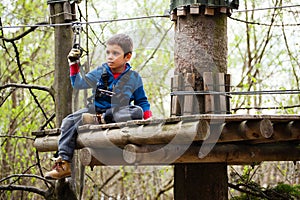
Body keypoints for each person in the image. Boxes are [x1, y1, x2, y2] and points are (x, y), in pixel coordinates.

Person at [45, 33, 152, 179]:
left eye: (115, 53)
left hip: (117, 114)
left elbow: (142, 102)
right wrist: (73, 63)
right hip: (94, 111)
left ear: (127, 57)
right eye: (108, 52)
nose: (110, 57)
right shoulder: (100, 71)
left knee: (136, 111)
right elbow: (78, 84)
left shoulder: (134, 78)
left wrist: (147, 119)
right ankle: (63, 163)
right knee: (68, 121)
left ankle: (101, 119)